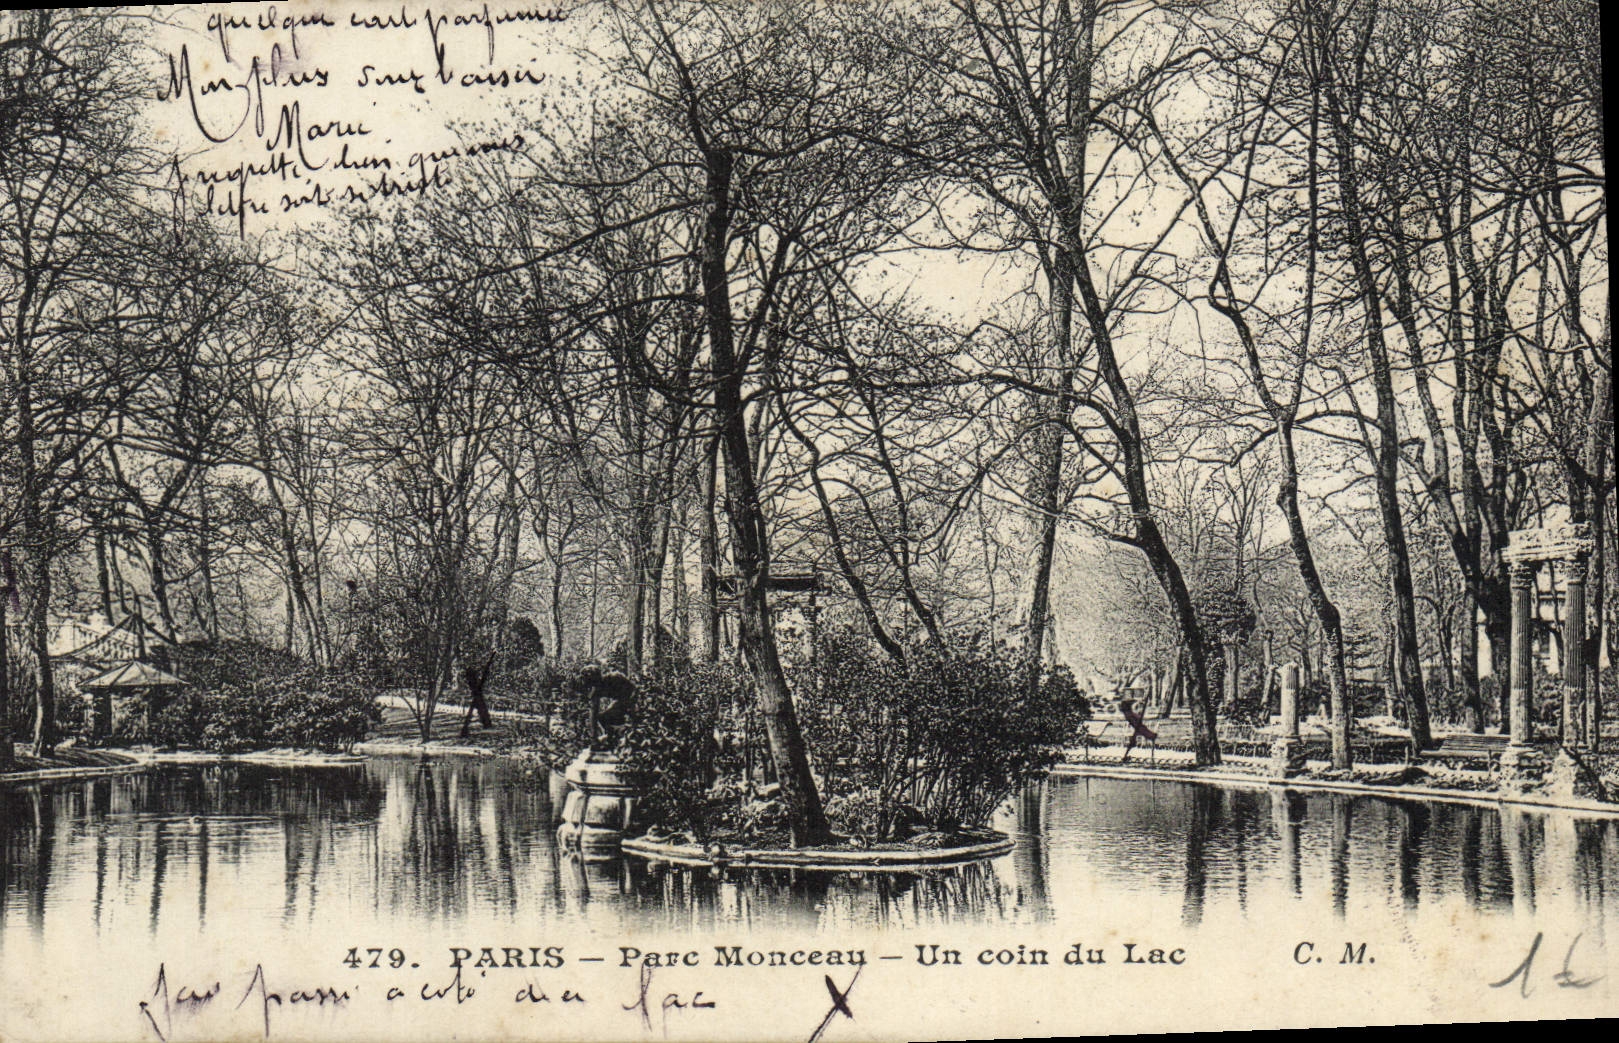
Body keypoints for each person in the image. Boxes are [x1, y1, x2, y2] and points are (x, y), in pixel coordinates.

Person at [1119, 688, 1157, 764]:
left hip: (1136, 723)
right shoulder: (1129, 713)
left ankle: (1150, 736)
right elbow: (1136, 718)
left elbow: (1136, 717)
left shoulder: (1130, 713)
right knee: (1141, 729)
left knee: (1141, 728)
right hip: (1136, 723)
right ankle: (1150, 736)